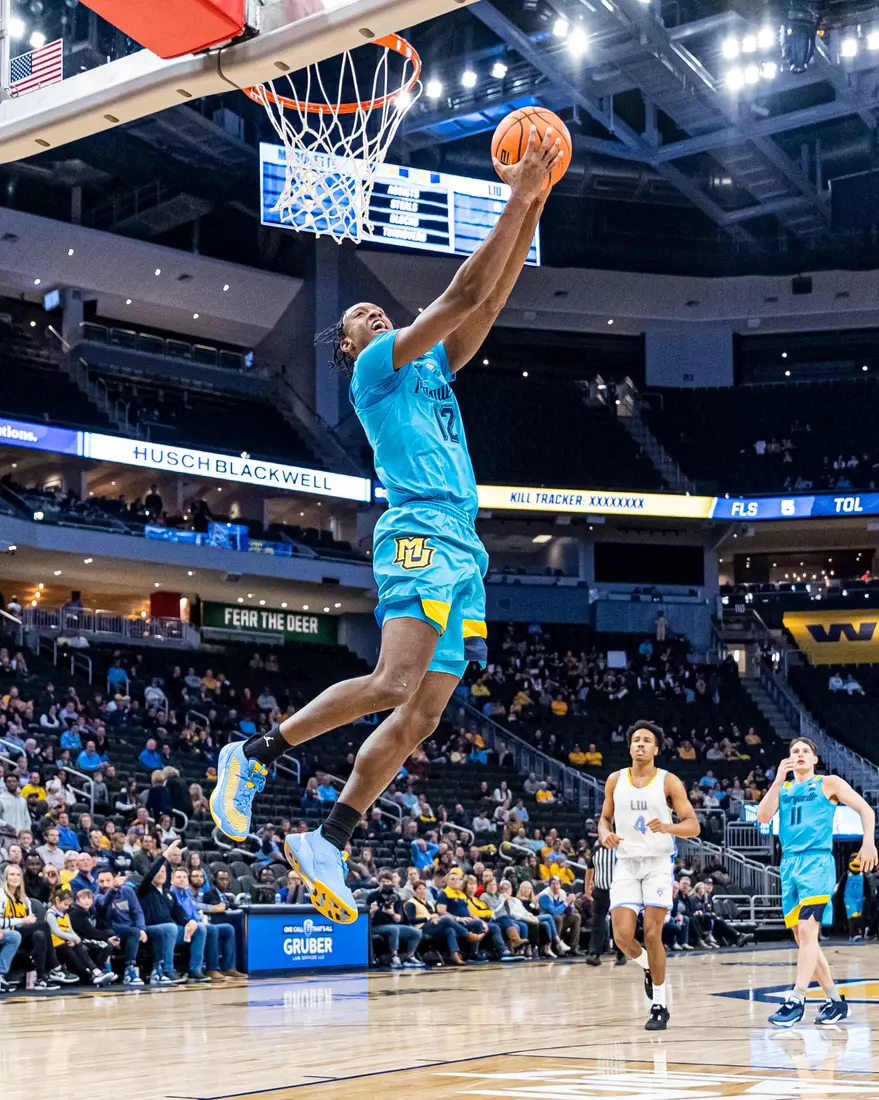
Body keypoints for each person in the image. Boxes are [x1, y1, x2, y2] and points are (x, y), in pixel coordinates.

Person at [209, 131, 563, 929]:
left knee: (426, 711)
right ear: (348, 348)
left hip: (461, 543)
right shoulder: (376, 372)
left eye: (374, 310)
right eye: (356, 319)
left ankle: (330, 837)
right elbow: (464, 296)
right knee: (391, 683)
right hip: (416, 531)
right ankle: (254, 756)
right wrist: (518, 197)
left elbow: (490, 301)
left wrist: (534, 200)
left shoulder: (430, 370)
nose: (369, 313)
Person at [757, 737, 877, 1027]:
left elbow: (866, 809)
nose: (799, 755)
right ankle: (835, 1001)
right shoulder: (783, 789)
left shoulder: (828, 783)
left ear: (814, 759)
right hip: (789, 865)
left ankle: (797, 999)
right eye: (794, 751)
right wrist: (777, 780)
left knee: (809, 933)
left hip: (816, 863)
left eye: (805, 751)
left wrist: (869, 843)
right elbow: (762, 816)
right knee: (803, 939)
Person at [599, 720, 700, 1031]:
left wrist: (668, 827)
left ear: (656, 749)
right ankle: (646, 965)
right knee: (622, 938)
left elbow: (693, 825)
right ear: (629, 747)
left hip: (657, 862)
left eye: (646, 741)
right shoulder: (615, 780)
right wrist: (604, 834)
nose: (640, 744)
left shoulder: (669, 782)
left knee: (653, 934)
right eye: (636, 740)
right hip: (626, 863)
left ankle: (660, 1003)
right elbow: (605, 818)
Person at [47, 887, 115, 986]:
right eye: (65, 904)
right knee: (74, 946)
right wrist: (73, 938)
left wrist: (75, 938)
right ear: (57, 900)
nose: (67, 907)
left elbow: (69, 929)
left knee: (78, 945)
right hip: (55, 942)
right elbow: (57, 932)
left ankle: (96, 972)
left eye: (69, 905)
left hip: (65, 940)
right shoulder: (50, 914)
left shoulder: (65, 914)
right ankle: (92, 973)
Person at [95, 867, 148, 986]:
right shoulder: (97, 896)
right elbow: (104, 902)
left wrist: (142, 929)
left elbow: (137, 911)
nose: (105, 884)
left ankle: (130, 971)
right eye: (101, 881)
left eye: (108, 880)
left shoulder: (128, 891)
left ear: (114, 879)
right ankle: (107, 970)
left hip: (127, 928)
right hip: (110, 928)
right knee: (128, 932)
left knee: (136, 931)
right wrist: (113, 889)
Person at [366, 871, 425, 969]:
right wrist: (372, 911)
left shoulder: (395, 897)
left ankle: (409, 956)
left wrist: (391, 913)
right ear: (379, 882)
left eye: (388, 882)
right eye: (383, 881)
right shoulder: (372, 896)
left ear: (392, 883)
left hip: (392, 924)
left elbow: (398, 919)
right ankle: (394, 957)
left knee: (417, 932)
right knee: (394, 929)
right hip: (375, 925)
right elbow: (367, 919)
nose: (386, 884)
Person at [585, 841, 625, 967]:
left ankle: (621, 953)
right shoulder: (596, 850)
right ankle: (594, 954)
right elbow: (589, 869)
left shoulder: (621, 848)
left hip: (618, 890)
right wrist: (587, 888)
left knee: (618, 923)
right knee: (597, 922)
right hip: (600, 891)